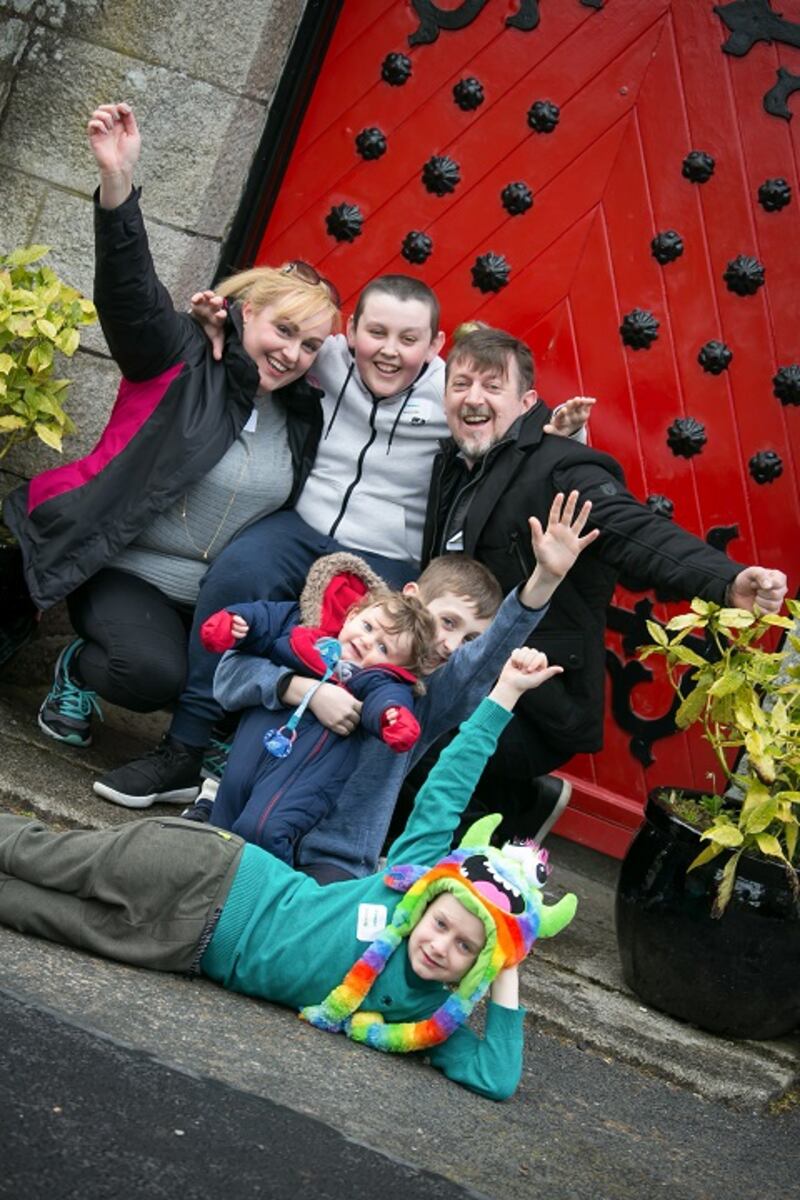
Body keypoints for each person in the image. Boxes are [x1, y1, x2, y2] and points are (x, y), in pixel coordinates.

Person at [93, 276, 592, 812]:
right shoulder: (324, 358)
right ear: (350, 331)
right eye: (375, 332)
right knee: (237, 575)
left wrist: (565, 439)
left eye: (409, 338)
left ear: (435, 344)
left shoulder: (451, 392)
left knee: (364, 635)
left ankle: (269, 770)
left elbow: (505, 429)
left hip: (385, 551)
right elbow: (269, 334)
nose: (390, 350)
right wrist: (218, 320)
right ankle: (185, 748)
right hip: (301, 528)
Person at [0, 644, 580, 1100]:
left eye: (466, 949)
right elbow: (445, 790)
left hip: (183, 950)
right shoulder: (406, 881)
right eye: (443, 924)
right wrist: (505, 693)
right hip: (211, 872)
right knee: (41, 856)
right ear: (428, 901)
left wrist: (508, 966)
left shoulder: (424, 1017)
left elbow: (495, 1078)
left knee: (33, 911)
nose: (440, 945)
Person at [2, 103, 340, 799]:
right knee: (150, 677)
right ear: (243, 309)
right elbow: (128, 294)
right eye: (283, 329)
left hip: (218, 595)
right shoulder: (180, 356)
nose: (293, 353)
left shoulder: (305, 415)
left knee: (220, 689)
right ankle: (75, 667)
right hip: (125, 566)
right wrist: (118, 182)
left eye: (311, 345)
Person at [405, 325, 789, 838]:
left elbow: (635, 530)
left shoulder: (561, 467)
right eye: (461, 384)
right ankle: (516, 807)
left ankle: (454, 868)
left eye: (492, 386)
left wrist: (728, 580)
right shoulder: (452, 463)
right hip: (461, 672)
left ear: (526, 401)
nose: (473, 398)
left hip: (536, 701)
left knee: (421, 744)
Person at [197, 491, 598, 883]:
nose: (451, 646)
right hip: (242, 819)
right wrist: (305, 691)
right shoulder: (330, 634)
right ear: (412, 597)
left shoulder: (426, 696)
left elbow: (484, 660)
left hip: (333, 859)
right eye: (448, 622)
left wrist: (544, 580)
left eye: (470, 640)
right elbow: (229, 678)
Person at [195, 558, 437, 862]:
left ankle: (261, 893)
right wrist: (236, 622)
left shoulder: (374, 679)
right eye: (367, 627)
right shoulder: (306, 633)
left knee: (265, 830)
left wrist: (393, 717)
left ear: (398, 668)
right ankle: (208, 884)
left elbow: (388, 697)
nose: (367, 641)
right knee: (223, 819)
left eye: (384, 649)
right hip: (255, 745)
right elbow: (265, 619)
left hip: (308, 772)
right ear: (352, 615)